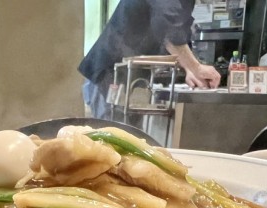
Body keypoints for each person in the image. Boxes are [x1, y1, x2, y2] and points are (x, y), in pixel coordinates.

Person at [79, 0, 221, 120]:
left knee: (132, 137)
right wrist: (196, 68)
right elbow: (168, 27)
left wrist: (189, 69)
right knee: (114, 138)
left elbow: (180, 33)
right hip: (111, 73)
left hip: (132, 79)